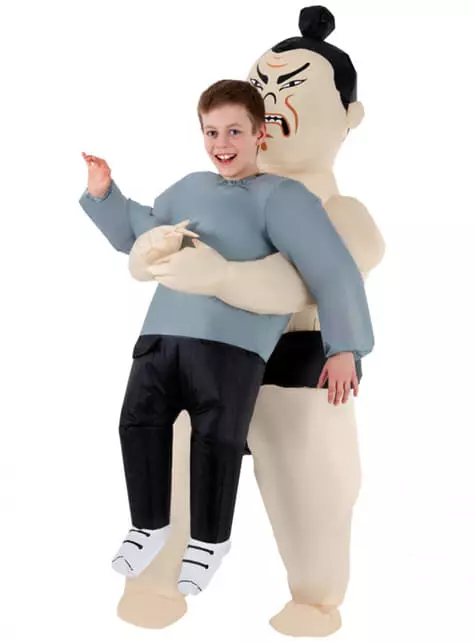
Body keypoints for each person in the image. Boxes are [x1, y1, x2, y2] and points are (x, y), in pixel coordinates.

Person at [79, 78, 374, 595]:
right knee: (137, 423)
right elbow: (140, 232)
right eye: (212, 132)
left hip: (231, 346)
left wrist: (344, 346)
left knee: (216, 440)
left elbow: (331, 268)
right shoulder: (189, 188)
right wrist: (105, 193)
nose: (222, 143)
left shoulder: (282, 197)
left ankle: (209, 541)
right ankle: (148, 525)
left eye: (235, 131)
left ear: (260, 134)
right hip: (162, 334)